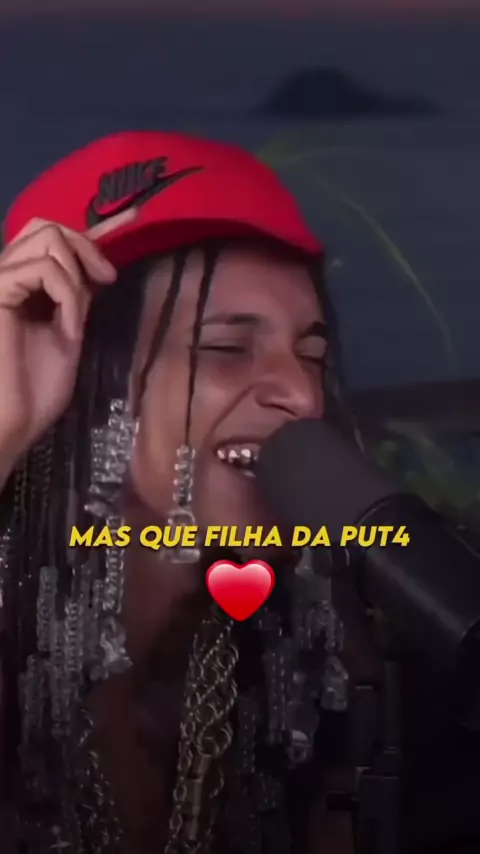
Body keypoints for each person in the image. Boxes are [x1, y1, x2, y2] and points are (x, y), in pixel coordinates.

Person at [0, 131, 478, 854]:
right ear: (76, 379)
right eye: (225, 347)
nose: (301, 396)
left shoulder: (342, 673)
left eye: (312, 355)